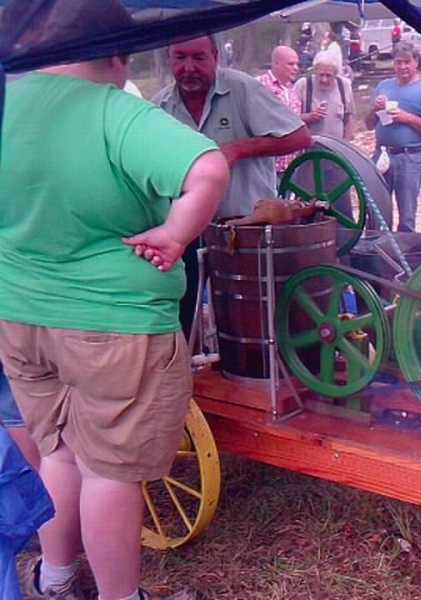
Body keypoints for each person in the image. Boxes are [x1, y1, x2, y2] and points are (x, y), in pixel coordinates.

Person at [0, 3, 230, 599]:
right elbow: (207, 167)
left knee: (57, 452)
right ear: (118, 54)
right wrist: (176, 233)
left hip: (20, 318)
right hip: (115, 326)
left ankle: (54, 580)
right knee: (109, 472)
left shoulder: (7, 104)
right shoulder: (113, 111)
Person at [153, 36, 311, 339]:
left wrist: (237, 150)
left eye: (199, 57)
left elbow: (301, 137)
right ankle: (189, 363)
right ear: (169, 59)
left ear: (215, 56)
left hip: (246, 230)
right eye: (180, 58)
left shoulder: (242, 89)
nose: (189, 67)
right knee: (183, 316)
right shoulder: (160, 107)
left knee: (252, 327)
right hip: (187, 232)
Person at [365, 42, 421, 232]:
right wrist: (375, 109)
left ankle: (404, 249)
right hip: (382, 154)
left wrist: (408, 118)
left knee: (407, 214)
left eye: (407, 62)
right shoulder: (383, 86)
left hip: (409, 157)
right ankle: (377, 248)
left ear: (416, 62)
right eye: (398, 62)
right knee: (376, 211)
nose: (402, 67)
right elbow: (368, 125)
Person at [294, 52, 357, 217]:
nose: (323, 79)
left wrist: (346, 146)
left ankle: (344, 231)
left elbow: (349, 118)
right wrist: (309, 117)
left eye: (329, 76)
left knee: (341, 202)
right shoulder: (303, 86)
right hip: (309, 157)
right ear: (314, 70)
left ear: (336, 74)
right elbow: (289, 118)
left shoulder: (344, 86)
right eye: (320, 74)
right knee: (307, 203)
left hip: (336, 156)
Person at [257, 46, 303, 181]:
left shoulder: (292, 90)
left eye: (297, 64)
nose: (296, 68)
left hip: (290, 166)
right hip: (266, 167)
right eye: (291, 64)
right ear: (276, 63)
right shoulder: (259, 85)